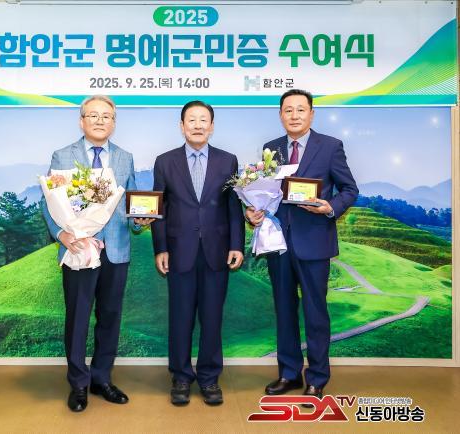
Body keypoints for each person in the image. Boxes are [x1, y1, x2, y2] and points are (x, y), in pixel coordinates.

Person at [42, 95, 153, 412]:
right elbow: (48, 201)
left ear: (114, 123)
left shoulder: (125, 157)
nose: (100, 120)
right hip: (78, 249)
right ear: (82, 121)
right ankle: (78, 383)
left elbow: (131, 203)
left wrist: (139, 221)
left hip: (115, 250)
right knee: (78, 318)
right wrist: (62, 234)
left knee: (110, 317)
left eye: (107, 116)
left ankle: (102, 378)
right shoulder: (63, 155)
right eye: (93, 115)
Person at [246, 89, 358, 401]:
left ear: (311, 114)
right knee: (284, 310)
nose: (294, 115)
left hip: (315, 242)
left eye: (300, 110)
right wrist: (253, 212)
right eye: (288, 110)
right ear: (280, 115)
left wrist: (330, 207)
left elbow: (349, 189)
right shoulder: (271, 149)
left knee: (315, 312)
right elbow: (264, 192)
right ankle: (289, 373)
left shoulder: (330, 146)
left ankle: (317, 377)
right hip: (278, 241)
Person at [151, 100, 245, 406]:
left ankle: (209, 378)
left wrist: (236, 244)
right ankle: (180, 377)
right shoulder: (165, 161)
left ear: (212, 126)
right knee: (180, 318)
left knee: (212, 317)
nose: (197, 125)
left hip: (217, 251)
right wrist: (161, 248)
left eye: (203, 120)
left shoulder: (228, 160)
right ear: (182, 126)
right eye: (191, 120)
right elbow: (159, 209)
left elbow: (233, 207)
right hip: (179, 251)